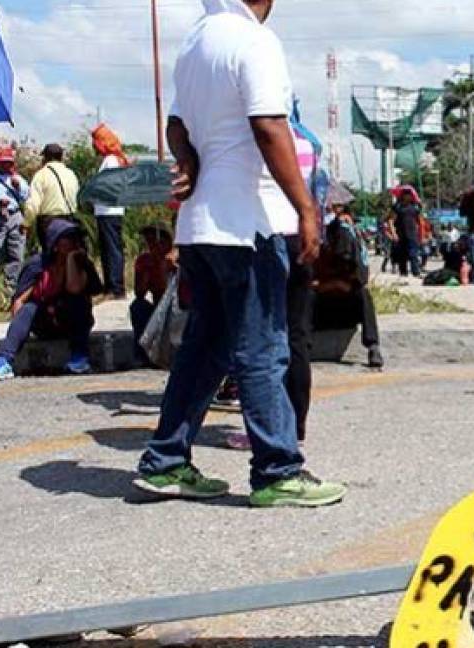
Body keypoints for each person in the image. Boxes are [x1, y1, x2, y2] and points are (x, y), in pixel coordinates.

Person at [134, 0, 346, 508]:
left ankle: (166, 461)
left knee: (206, 349)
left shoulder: (196, 41)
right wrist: (307, 209)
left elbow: (177, 124)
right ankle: (276, 471)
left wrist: (186, 158)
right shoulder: (256, 41)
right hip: (247, 223)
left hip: (201, 226)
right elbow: (270, 126)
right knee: (264, 348)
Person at [0, 219, 103, 381]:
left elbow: (74, 289)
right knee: (29, 308)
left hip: (70, 321)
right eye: (68, 238)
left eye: (75, 237)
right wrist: (19, 330)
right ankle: (4, 361)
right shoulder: (37, 265)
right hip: (43, 322)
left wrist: (71, 260)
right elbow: (19, 302)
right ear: (55, 244)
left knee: (78, 302)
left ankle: (79, 358)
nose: (74, 242)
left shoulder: (81, 263)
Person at [313, 208, 385, 369]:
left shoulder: (350, 245)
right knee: (306, 297)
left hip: (345, 308)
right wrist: (331, 284)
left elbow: (360, 279)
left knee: (364, 295)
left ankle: (373, 346)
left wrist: (339, 284)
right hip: (319, 310)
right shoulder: (311, 247)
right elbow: (307, 283)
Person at [90, 124, 133, 299]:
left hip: (109, 210)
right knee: (109, 249)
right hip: (107, 210)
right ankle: (110, 285)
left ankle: (115, 287)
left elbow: (109, 185)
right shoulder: (112, 159)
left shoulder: (111, 161)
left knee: (112, 249)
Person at [130, 224, 177, 362]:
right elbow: (139, 293)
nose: (152, 245)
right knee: (138, 306)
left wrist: (165, 266)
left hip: (174, 306)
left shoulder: (174, 259)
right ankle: (141, 354)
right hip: (156, 306)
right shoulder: (144, 261)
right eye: (148, 241)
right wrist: (146, 273)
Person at [0, 147, 31, 292]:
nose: (7, 165)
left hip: (15, 216)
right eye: (4, 162)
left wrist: (18, 187)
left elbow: (26, 195)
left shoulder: (16, 178)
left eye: (9, 162)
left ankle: (10, 287)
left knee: (16, 252)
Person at [23, 144, 80, 248]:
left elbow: (33, 204)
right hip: (70, 220)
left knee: (50, 258)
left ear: (47, 157)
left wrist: (26, 223)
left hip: (49, 222)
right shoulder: (71, 174)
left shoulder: (41, 175)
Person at [388, 185, 424, 277]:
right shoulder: (397, 207)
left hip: (412, 234)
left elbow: (420, 222)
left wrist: (422, 235)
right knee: (402, 255)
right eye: (406, 194)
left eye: (409, 194)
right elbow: (391, 220)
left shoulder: (415, 207)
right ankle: (403, 273)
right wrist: (393, 233)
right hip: (401, 234)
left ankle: (416, 272)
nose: (408, 196)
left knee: (413, 254)